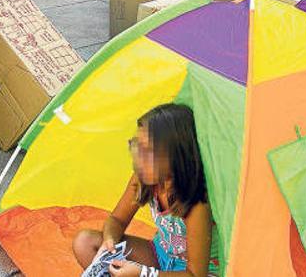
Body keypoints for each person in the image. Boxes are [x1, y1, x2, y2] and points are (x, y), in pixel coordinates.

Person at [72, 104, 217, 276]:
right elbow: (117, 219)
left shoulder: (196, 203)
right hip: (160, 254)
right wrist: (109, 240)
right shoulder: (143, 180)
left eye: (149, 152)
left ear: (177, 156)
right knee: (85, 242)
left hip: (193, 272)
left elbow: (195, 273)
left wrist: (144, 274)